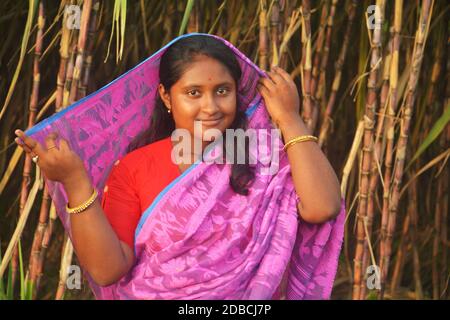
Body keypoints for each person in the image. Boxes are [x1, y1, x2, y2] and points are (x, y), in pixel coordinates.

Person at [15, 34, 345, 299]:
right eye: (193, 93)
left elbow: (322, 207)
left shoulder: (264, 156)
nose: (211, 107)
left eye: (222, 91)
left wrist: (290, 118)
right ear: (166, 96)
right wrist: (75, 181)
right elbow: (108, 269)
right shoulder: (135, 167)